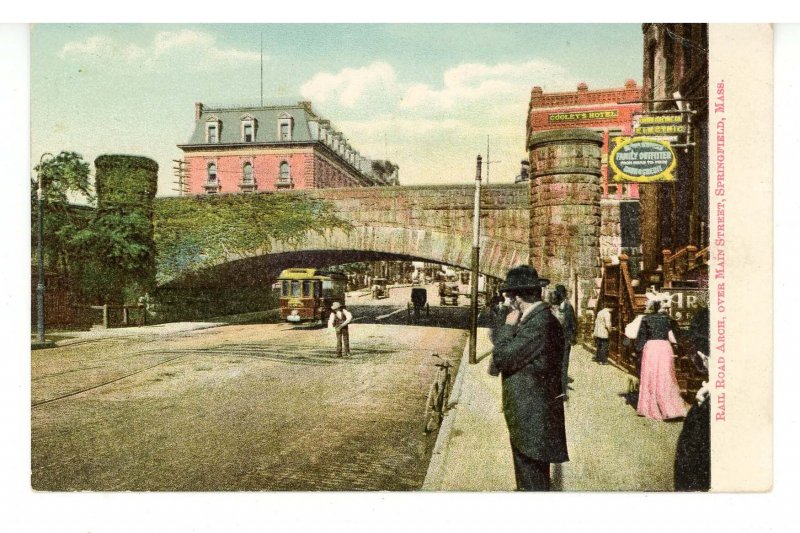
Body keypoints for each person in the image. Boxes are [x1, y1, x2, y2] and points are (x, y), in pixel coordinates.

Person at [490, 265, 568, 491]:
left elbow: (503, 358)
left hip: (533, 419)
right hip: (530, 417)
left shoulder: (539, 323)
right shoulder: (537, 320)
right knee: (531, 481)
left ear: (517, 298)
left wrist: (506, 327)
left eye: (510, 297)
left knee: (532, 483)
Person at [635, 294, 688, 420]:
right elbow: (673, 338)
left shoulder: (646, 319)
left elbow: (641, 339)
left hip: (651, 348)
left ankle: (652, 406)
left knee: (651, 376)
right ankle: (669, 407)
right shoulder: (668, 319)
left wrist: (637, 351)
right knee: (665, 376)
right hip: (664, 348)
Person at [550, 284, 577, 398]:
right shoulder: (552, 308)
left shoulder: (568, 307)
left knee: (563, 365)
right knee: (554, 364)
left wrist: (571, 339)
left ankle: (562, 391)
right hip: (553, 341)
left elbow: (573, 324)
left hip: (565, 340)